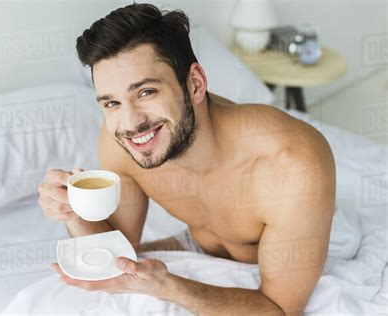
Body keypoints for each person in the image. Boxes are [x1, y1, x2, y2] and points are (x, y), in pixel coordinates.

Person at [37, 3, 336, 315]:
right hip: (197, 247)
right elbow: (117, 248)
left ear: (194, 83)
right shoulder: (122, 141)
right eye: (112, 102)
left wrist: (169, 287)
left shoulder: (291, 163)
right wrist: (72, 212)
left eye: (145, 93)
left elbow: (279, 308)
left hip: (274, 285)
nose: (129, 123)